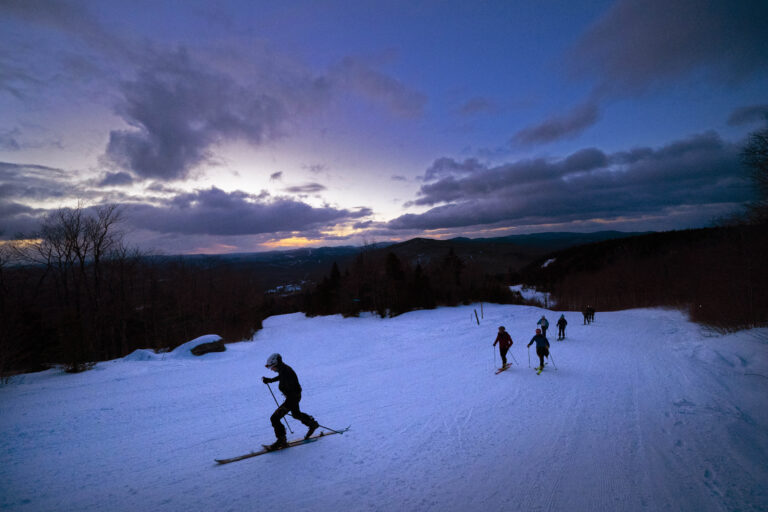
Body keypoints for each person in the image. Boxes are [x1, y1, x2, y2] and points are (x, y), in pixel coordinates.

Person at [262, 353, 319, 450]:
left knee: (275, 418)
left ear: (276, 364)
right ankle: (312, 424)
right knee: (296, 414)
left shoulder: (286, 371)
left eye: (272, 367)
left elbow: (287, 380)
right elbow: (281, 377)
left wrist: (288, 396)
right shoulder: (283, 369)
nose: (271, 369)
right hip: (293, 397)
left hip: (292, 398)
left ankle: (281, 440)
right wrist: (270, 380)